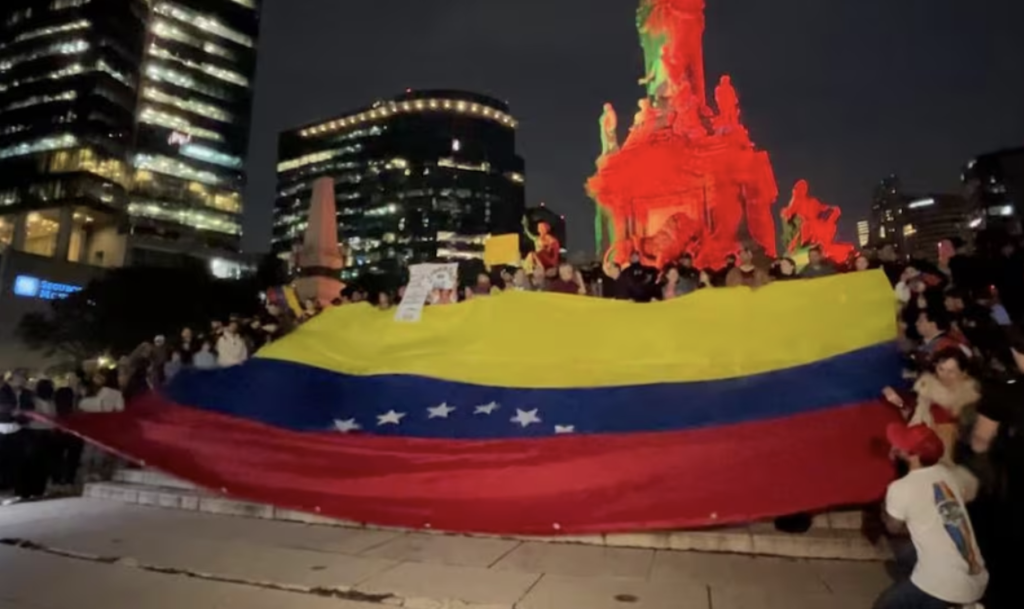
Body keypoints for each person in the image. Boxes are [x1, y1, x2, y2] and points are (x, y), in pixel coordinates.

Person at [876, 422, 987, 609]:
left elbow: (892, 528)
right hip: (976, 576)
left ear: (914, 455)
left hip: (944, 585)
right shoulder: (949, 474)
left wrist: (883, 507)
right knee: (906, 555)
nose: (896, 445)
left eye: (901, 444)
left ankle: (944, 601)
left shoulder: (901, 488)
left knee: (885, 606)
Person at [51, 386, 82, 491]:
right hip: (74, 435)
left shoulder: (55, 407)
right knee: (72, 459)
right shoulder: (75, 409)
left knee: (57, 458)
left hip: (57, 434)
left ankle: (56, 481)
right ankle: (69, 481)